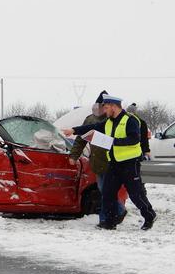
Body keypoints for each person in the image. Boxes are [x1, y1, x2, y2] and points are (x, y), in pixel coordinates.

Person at [62, 94, 156, 230]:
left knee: (136, 195)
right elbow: (93, 127)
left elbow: (134, 139)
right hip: (114, 163)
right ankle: (110, 222)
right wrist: (74, 130)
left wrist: (113, 142)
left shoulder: (130, 120)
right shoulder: (109, 122)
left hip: (130, 164)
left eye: (106, 108)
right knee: (107, 193)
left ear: (113, 106)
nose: (104, 111)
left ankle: (149, 216)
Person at [68, 91, 126, 226]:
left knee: (106, 192)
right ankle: (116, 212)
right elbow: (80, 139)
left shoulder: (114, 119)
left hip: (112, 160)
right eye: (102, 106)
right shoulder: (91, 119)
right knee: (104, 191)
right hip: (98, 161)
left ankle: (106, 219)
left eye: (106, 106)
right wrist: (74, 155)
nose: (103, 109)